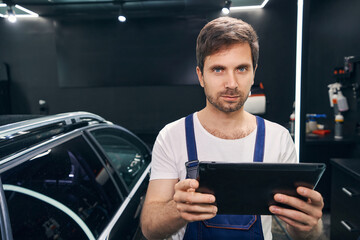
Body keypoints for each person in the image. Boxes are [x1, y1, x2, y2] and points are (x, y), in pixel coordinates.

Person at [140, 17, 324, 240]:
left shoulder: (278, 138)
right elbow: (150, 228)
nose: (232, 83)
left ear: (254, 72)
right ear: (200, 76)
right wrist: (177, 210)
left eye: (241, 69)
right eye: (218, 69)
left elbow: (303, 233)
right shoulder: (172, 136)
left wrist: (311, 226)